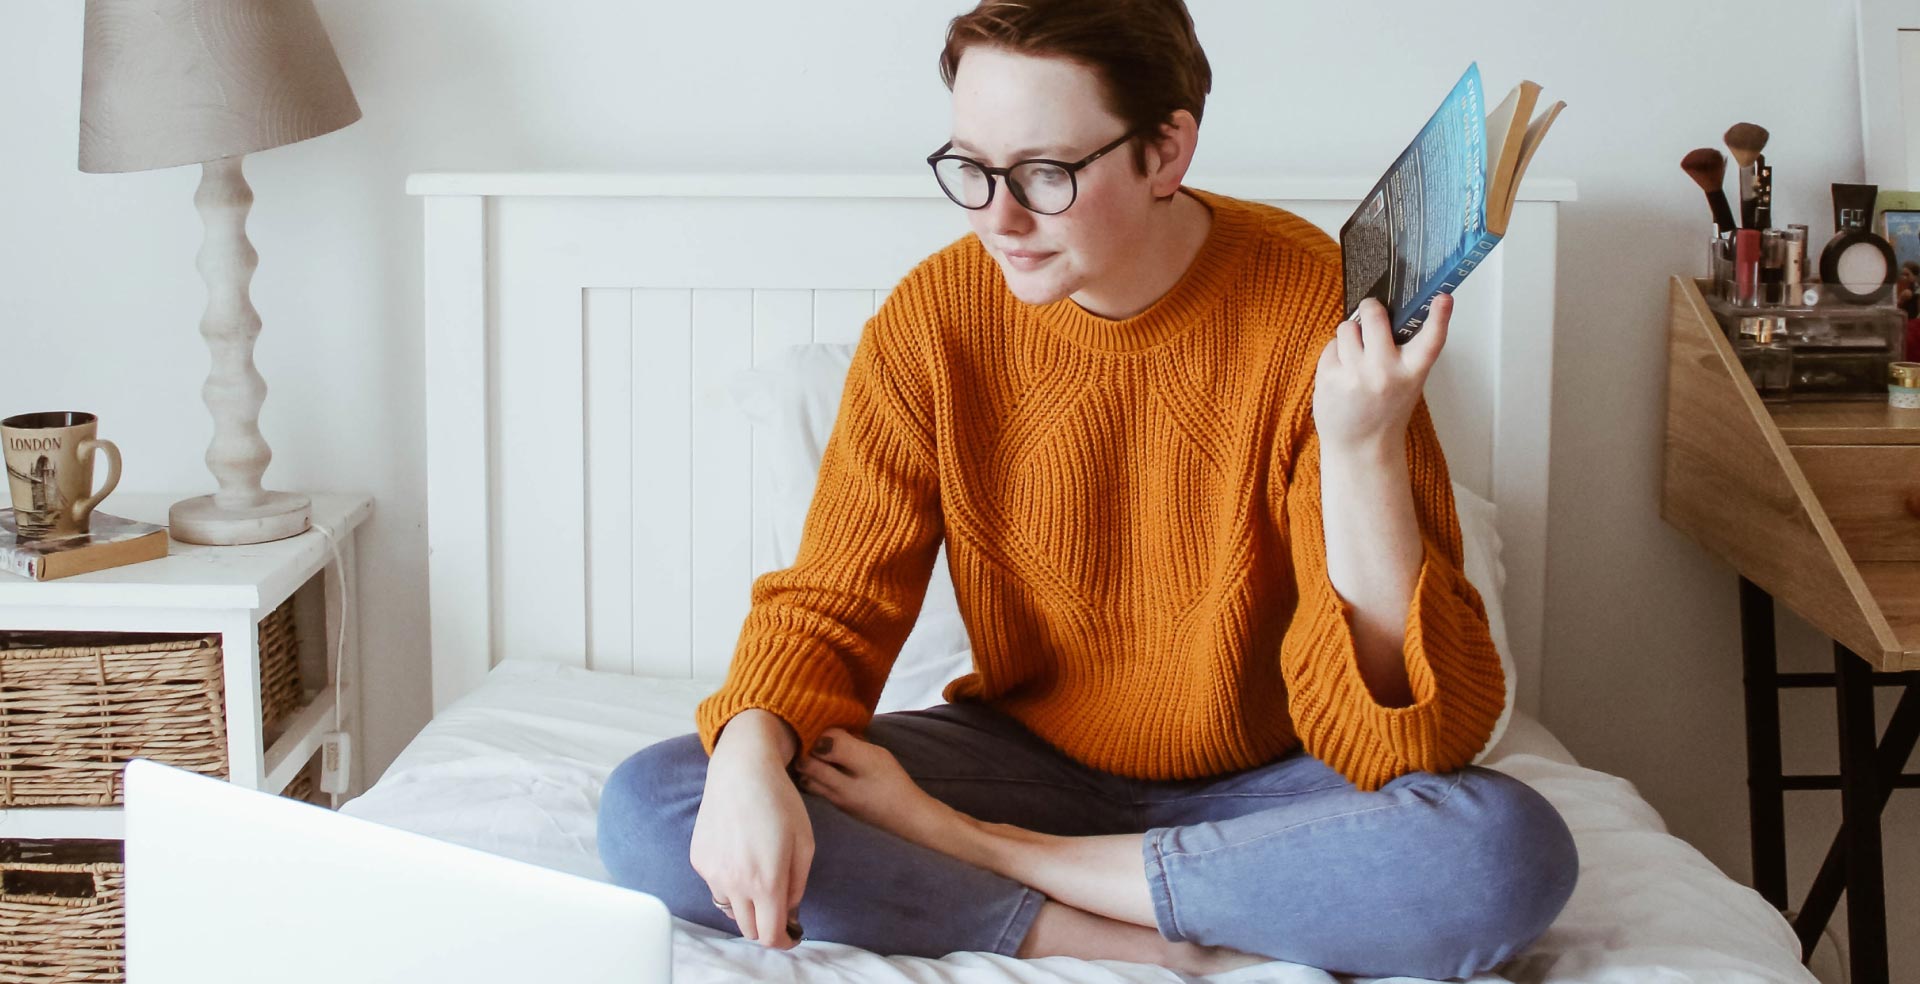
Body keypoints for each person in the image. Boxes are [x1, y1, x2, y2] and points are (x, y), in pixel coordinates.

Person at [598, 1, 1578, 977]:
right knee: (657, 806)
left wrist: (1363, 448)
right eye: (971, 168)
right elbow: (835, 604)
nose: (999, 216)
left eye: (1045, 173)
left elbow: (1408, 747)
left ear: (1166, 151)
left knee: (1502, 849)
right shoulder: (933, 322)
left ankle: (1010, 868)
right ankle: (1098, 930)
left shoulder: (1312, 309)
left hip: (1273, 784)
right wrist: (747, 753)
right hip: (1023, 760)